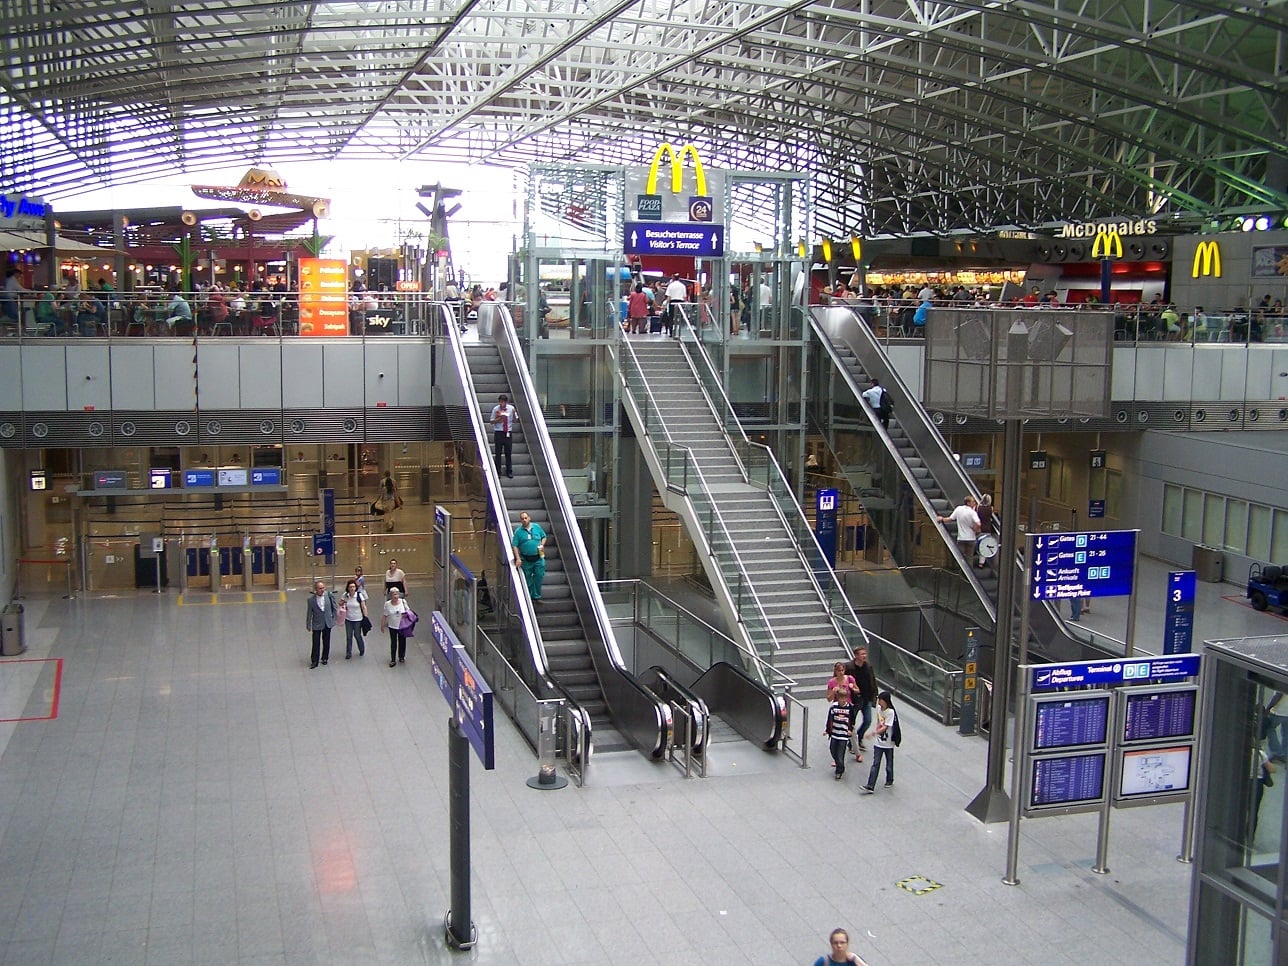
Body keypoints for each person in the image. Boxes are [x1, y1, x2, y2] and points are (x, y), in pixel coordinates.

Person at [844, 646, 878, 760]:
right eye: (862, 654)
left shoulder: (868, 666)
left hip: (866, 697)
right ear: (856, 655)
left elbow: (873, 680)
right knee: (851, 722)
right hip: (854, 699)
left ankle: (858, 738)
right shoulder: (849, 667)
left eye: (865, 653)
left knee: (868, 720)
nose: (864, 656)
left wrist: (874, 695)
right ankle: (852, 743)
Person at [861, 690, 898, 793]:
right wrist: (876, 731)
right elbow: (879, 722)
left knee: (889, 763)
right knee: (875, 763)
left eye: (880, 700)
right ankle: (870, 785)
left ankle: (890, 779)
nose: (878, 702)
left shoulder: (890, 712)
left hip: (888, 743)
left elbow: (886, 726)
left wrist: (873, 733)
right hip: (879, 742)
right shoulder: (878, 709)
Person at [512, 511, 547, 606]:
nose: (524, 520)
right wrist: (518, 558)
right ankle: (529, 597)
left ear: (529, 518)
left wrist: (542, 544)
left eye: (525, 518)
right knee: (527, 579)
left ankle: (537, 596)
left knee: (539, 576)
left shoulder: (536, 527)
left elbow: (544, 536)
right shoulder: (518, 532)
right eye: (522, 519)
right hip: (526, 559)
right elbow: (514, 545)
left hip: (538, 557)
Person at [305, 580, 338, 669]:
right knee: (316, 642)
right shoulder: (311, 600)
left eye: (323, 588)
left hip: (327, 622)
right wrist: (308, 624)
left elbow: (334, 608)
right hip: (317, 623)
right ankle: (314, 660)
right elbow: (309, 613)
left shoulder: (329, 596)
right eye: (320, 588)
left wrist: (334, 619)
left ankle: (325, 657)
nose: (322, 590)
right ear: (316, 589)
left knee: (326, 641)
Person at [824, 686, 855, 780]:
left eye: (844, 698)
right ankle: (840, 765)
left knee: (840, 753)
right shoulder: (834, 707)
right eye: (841, 698)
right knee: (833, 750)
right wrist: (828, 730)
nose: (843, 700)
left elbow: (852, 720)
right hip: (835, 733)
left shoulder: (849, 708)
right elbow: (830, 719)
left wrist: (850, 729)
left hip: (843, 735)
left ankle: (839, 770)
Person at [938, 495, 981, 563]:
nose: (974, 503)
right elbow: (978, 524)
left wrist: (942, 519)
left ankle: (961, 572)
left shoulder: (958, 509)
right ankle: (969, 572)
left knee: (960, 559)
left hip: (961, 538)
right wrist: (975, 529)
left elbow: (950, 519)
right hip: (971, 538)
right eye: (973, 502)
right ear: (968, 503)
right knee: (969, 558)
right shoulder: (973, 513)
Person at [381, 586, 410, 667]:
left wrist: (405, 615)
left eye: (397, 594)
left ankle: (401, 656)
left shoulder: (403, 602)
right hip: (392, 626)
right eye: (394, 594)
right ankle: (393, 659)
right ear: (391, 595)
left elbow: (408, 611)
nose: (395, 596)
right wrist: (382, 625)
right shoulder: (387, 604)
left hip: (402, 625)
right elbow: (385, 615)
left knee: (402, 641)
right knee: (393, 642)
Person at [489, 393, 517, 478]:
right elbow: (491, 421)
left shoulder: (511, 408)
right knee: (498, 452)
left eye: (502, 402)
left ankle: (509, 471)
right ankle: (498, 471)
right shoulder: (496, 409)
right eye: (500, 402)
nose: (501, 404)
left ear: (506, 402)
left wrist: (514, 413)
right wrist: (499, 419)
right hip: (499, 432)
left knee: (508, 452)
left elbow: (515, 420)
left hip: (508, 432)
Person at [339, 579, 368, 659]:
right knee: (349, 636)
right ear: (348, 588)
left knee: (357, 635)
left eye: (353, 587)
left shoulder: (359, 595)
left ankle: (361, 648)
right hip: (348, 619)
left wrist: (365, 617)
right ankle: (348, 653)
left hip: (358, 619)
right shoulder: (345, 595)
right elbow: (340, 603)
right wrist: (344, 601)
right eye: (350, 587)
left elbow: (363, 606)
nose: (352, 588)